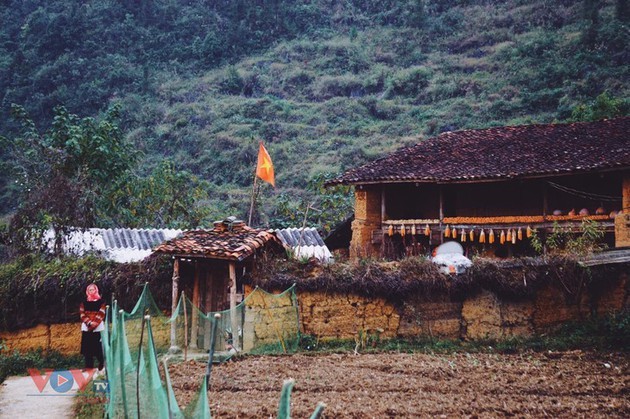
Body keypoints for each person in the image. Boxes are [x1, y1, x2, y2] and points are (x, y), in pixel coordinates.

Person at [80, 283, 105, 371]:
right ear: (87, 291)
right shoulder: (84, 303)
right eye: (89, 290)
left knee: (98, 347)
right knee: (87, 347)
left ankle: (101, 362)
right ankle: (88, 366)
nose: (91, 291)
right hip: (87, 328)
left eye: (93, 289)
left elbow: (101, 313)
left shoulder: (101, 302)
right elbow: (82, 314)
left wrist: (95, 323)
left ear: (96, 290)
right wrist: (89, 322)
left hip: (97, 328)